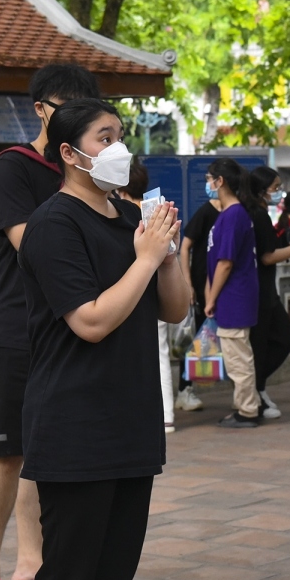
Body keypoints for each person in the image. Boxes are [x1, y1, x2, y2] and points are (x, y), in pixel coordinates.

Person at [17, 98, 188, 580]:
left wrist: (169, 255)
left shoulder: (128, 219)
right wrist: (145, 259)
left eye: (120, 135)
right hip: (76, 425)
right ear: (70, 153)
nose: (118, 148)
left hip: (129, 421)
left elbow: (174, 308)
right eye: (104, 138)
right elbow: (89, 321)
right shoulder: (54, 224)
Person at [0, 63, 101, 580]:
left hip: (69, 328)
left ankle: (32, 562)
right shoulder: (12, 167)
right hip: (15, 327)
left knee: (48, 450)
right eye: (69, 106)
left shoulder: (95, 169)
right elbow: (33, 246)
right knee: (7, 451)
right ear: (42, 109)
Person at [246, 167, 290, 419]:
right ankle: (254, 391)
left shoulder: (258, 213)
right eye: (275, 187)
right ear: (262, 189)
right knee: (273, 339)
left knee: (276, 339)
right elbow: (267, 257)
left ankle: (256, 388)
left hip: (264, 290)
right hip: (259, 292)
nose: (279, 193)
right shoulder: (257, 214)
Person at [117, 157, 178, 434]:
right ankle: (166, 415)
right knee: (160, 352)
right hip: (157, 290)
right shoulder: (155, 212)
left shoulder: (121, 214)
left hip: (130, 292)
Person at [203, 158, 262, 429]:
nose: (208, 184)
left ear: (220, 181)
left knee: (238, 358)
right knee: (236, 355)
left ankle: (248, 410)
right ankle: (243, 406)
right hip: (232, 295)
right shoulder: (229, 214)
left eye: (209, 179)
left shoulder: (234, 215)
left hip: (234, 295)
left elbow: (225, 263)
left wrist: (211, 298)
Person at [174, 187, 222, 412]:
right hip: (202, 288)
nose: (209, 185)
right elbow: (185, 247)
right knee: (196, 338)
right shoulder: (205, 212)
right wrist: (188, 282)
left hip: (220, 285)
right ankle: (185, 389)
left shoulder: (232, 212)